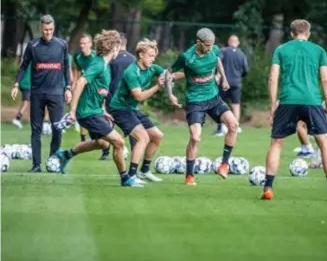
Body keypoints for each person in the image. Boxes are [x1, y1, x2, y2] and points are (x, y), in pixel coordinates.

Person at [262, 19, 327, 201]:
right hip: (312, 101)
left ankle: (268, 188)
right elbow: (326, 80)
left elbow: (273, 78)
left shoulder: (281, 50)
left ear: (291, 33)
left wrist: (273, 106)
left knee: (276, 143)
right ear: (308, 33)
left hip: (288, 100)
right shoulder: (319, 51)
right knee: (325, 143)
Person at [55, 30, 138, 187]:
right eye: (118, 47)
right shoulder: (98, 64)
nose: (119, 51)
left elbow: (99, 90)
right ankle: (126, 178)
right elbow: (80, 83)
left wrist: (103, 110)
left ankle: (65, 155)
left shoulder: (105, 65)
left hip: (95, 111)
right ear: (113, 48)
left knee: (102, 144)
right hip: (87, 113)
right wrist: (72, 111)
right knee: (119, 142)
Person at [166, 28, 239, 186]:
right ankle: (189, 176)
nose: (210, 48)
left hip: (214, 98)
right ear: (198, 42)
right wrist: (170, 94)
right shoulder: (187, 57)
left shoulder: (213, 50)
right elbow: (169, 72)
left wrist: (224, 79)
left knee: (233, 125)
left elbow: (217, 60)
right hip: (195, 101)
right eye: (206, 45)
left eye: (212, 45)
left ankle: (224, 165)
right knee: (195, 137)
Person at [11, 15, 72, 173]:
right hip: (37, 94)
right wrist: (16, 84)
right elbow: (24, 66)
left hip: (57, 94)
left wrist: (68, 88)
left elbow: (66, 67)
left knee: (57, 129)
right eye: (45, 30)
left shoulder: (61, 45)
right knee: (36, 130)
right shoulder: (33, 45)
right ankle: (36, 165)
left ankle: (53, 161)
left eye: (51, 30)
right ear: (40, 28)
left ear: (54, 28)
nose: (48, 33)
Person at [108, 39, 166, 185]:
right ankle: (131, 176)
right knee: (143, 138)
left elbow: (168, 74)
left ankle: (144, 171)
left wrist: (190, 73)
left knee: (157, 136)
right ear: (141, 55)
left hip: (132, 109)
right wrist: (157, 86)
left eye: (154, 56)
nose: (153, 59)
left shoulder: (152, 67)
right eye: (150, 56)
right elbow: (139, 96)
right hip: (119, 109)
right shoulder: (131, 72)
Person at [214, 35, 249, 136]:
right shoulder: (241, 54)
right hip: (236, 82)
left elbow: (218, 62)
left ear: (229, 42)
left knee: (220, 104)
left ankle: (221, 128)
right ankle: (235, 126)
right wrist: (239, 76)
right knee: (236, 105)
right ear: (237, 43)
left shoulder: (223, 51)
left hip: (225, 82)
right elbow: (246, 70)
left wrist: (217, 75)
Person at [12, 62, 32, 129]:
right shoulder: (33, 62)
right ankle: (17, 119)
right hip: (27, 85)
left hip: (22, 84)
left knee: (23, 102)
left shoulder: (26, 62)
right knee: (25, 104)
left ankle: (17, 118)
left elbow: (20, 71)